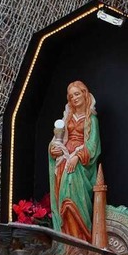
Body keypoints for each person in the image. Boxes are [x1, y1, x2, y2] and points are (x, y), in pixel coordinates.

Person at [48, 80, 101, 243]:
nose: (74, 98)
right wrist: (54, 149)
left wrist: (77, 157)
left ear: (85, 94)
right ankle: (67, 244)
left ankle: (81, 242)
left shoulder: (91, 119)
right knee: (64, 201)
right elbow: (57, 138)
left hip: (79, 165)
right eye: (71, 96)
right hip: (64, 160)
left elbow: (93, 145)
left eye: (77, 94)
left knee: (75, 202)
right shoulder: (67, 117)